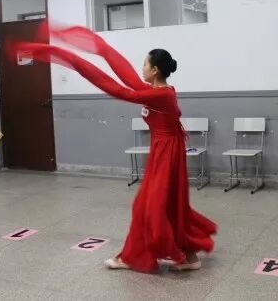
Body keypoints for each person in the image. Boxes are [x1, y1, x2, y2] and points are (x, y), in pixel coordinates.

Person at [13, 26, 217, 273]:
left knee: (148, 205)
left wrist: (76, 62)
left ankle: (132, 257)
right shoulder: (156, 91)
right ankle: (188, 256)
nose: (141, 68)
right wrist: (102, 51)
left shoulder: (161, 95)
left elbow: (119, 90)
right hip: (165, 150)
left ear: (154, 70)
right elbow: (125, 75)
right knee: (166, 205)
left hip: (167, 153)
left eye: (145, 64)